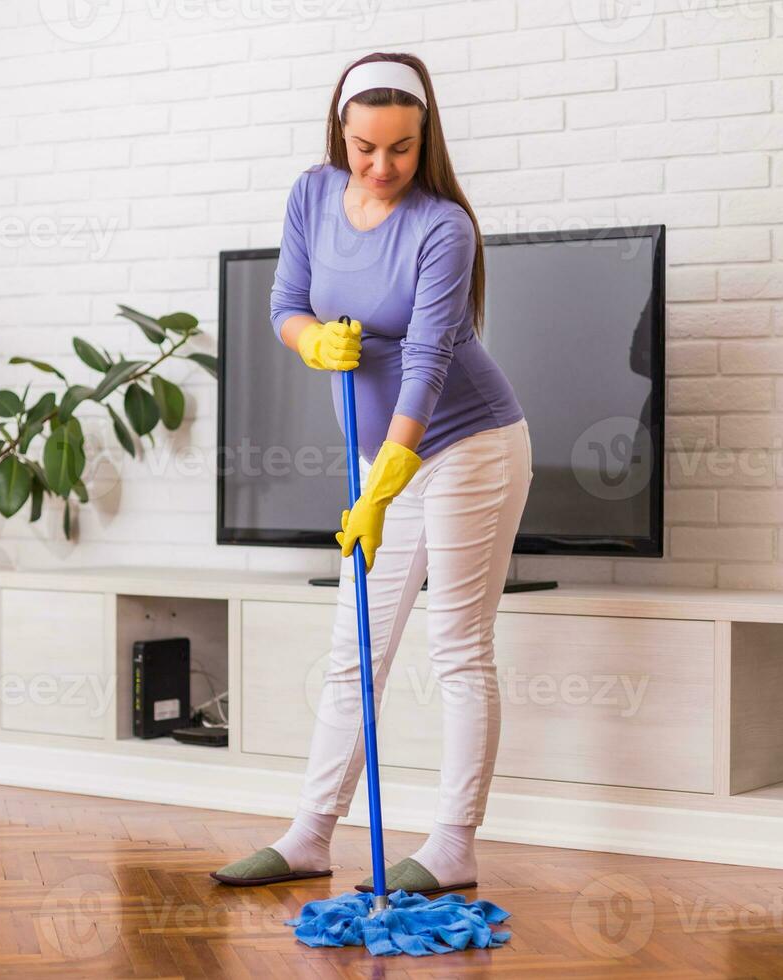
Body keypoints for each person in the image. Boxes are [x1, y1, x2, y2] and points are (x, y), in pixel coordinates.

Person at [210, 52, 532, 896]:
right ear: (340, 135)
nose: (381, 168)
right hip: (377, 453)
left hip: (468, 444)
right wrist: (309, 338)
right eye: (364, 148)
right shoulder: (312, 193)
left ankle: (454, 845)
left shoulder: (443, 227)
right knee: (355, 650)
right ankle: (310, 834)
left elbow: (427, 358)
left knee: (456, 647)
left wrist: (387, 480)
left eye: (401, 149)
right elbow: (285, 302)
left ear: (425, 142)